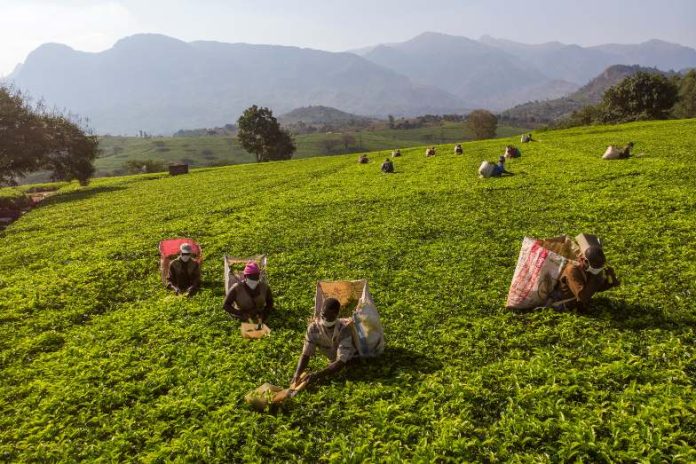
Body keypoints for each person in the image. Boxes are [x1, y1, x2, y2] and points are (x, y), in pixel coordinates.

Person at [291, 298, 356, 387]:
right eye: (323, 315)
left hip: (350, 359)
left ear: (336, 315)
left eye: (329, 317)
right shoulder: (313, 328)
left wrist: (317, 375)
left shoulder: (344, 330)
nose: (325, 319)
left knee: (350, 365)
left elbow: (341, 362)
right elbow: (306, 354)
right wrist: (297, 374)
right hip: (333, 359)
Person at [548, 246, 620, 312]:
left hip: (579, 303)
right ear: (583, 260)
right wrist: (595, 276)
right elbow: (583, 297)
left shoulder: (592, 268)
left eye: (600, 266)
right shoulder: (572, 270)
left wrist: (612, 278)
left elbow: (598, 288)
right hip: (564, 304)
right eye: (595, 266)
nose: (597, 269)